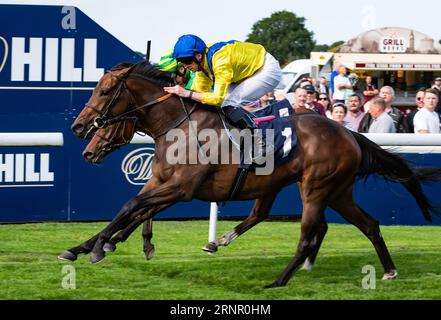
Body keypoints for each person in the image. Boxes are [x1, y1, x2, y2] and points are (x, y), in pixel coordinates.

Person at [163, 34, 282, 161]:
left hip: (266, 69)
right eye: (183, 63)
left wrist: (187, 93)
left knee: (228, 103)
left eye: (187, 61)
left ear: (198, 56)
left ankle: (262, 143)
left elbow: (217, 98)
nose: (186, 66)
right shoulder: (203, 66)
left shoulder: (220, 60)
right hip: (245, 73)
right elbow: (198, 93)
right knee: (218, 104)